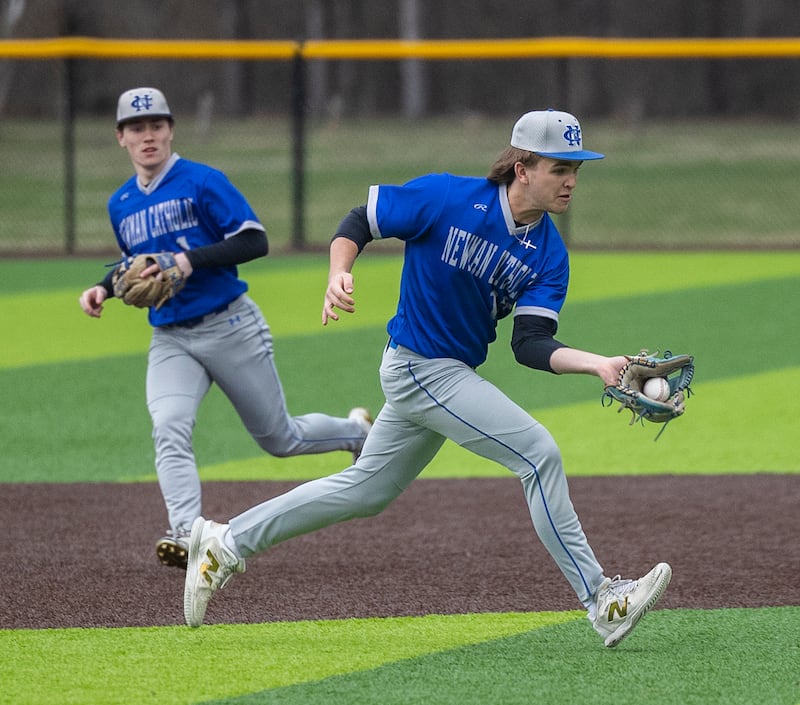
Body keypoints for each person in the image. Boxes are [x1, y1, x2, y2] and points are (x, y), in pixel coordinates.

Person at [182, 108, 672, 647]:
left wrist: (598, 364)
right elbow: (358, 222)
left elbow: (530, 344)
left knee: (366, 490)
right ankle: (601, 598)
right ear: (522, 167)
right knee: (538, 453)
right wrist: (337, 272)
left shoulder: (550, 254)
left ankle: (224, 543)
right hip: (418, 366)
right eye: (560, 167)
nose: (572, 180)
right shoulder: (447, 198)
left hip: (448, 373)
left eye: (577, 167)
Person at [78, 87, 372, 570]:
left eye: (155, 125)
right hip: (171, 337)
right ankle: (187, 534)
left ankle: (356, 432)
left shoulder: (202, 182)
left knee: (280, 440)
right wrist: (103, 288)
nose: (147, 135)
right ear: (120, 138)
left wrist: (189, 260)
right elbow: (139, 266)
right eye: (136, 128)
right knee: (169, 425)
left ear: (170, 130)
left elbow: (255, 240)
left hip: (230, 326)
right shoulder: (121, 203)